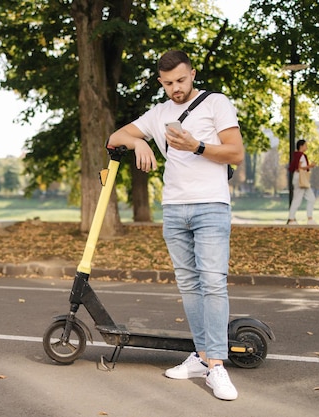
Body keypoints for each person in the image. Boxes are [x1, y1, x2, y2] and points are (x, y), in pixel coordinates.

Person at [108, 50, 244, 401]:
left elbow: (235, 153)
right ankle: (201, 357)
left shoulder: (216, 103)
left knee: (212, 283)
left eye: (181, 81)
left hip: (211, 206)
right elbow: (115, 137)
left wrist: (196, 146)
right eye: (168, 83)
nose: (176, 89)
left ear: (192, 74)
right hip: (174, 209)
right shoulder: (159, 113)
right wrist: (138, 140)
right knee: (189, 285)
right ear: (160, 82)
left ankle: (217, 366)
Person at [287, 139, 317, 225]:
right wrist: (310, 166)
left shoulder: (298, 156)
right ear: (301, 146)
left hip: (301, 179)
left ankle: (310, 219)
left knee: (311, 198)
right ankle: (291, 219)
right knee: (297, 199)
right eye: (305, 145)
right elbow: (298, 168)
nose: (306, 147)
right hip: (300, 179)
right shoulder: (300, 155)